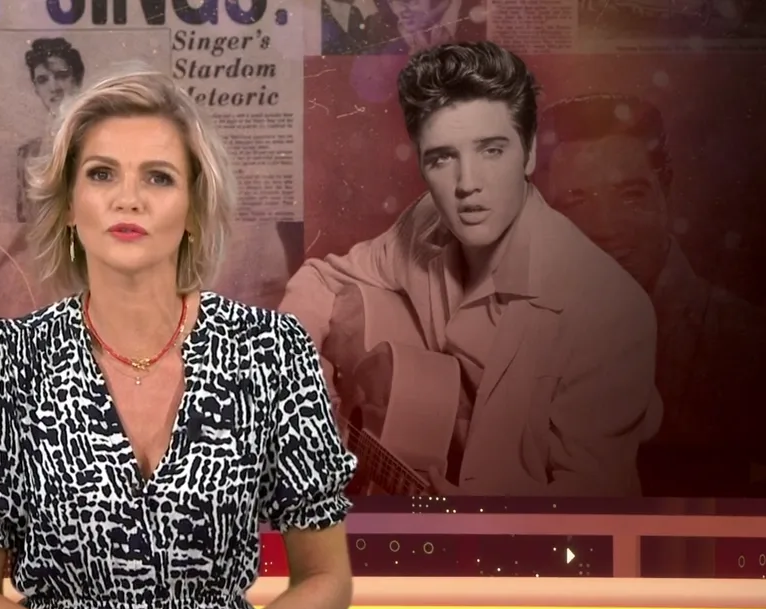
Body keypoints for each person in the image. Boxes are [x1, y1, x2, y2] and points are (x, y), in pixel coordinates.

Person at [0, 68, 357, 609]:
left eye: (158, 177)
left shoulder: (271, 352)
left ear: (193, 210)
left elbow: (327, 578)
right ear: (70, 205)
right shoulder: (7, 359)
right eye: (101, 173)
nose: (127, 198)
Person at [280, 41, 661, 496]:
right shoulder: (427, 221)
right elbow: (322, 279)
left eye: (491, 151)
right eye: (442, 158)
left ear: (530, 153)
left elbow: (588, 506)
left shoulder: (613, 313)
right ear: (421, 163)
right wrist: (296, 373)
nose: (467, 184)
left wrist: (473, 524)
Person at [533, 93, 766, 489]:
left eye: (631, 195)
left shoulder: (752, 346)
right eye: (576, 201)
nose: (606, 227)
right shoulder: (516, 338)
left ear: (666, 191)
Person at [16, 38, 84, 222]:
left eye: (61, 76)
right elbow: (24, 219)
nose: (53, 87)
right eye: (42, 80)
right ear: (36, 89)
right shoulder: (27, 155)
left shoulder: (100, 142)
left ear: (77, 79)